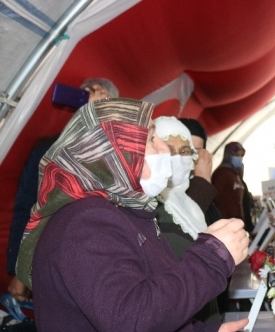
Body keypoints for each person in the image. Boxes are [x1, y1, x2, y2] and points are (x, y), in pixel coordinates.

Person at [15, 98, 250, 331]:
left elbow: (148, 302)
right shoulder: (86, 222)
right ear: (113, 151)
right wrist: (212, 257)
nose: (163, 149)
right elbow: (131, 319)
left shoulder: (123, 212)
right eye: (149, 139)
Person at [6, 78, 118, 302]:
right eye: (86, 95)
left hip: (76, 271)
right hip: (36, 258)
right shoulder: (44, 147)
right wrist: (18, 267)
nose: (92, 102)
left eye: (102, 99)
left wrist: (97, 122)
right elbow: (26, 207)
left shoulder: (116, 159)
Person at [154, 116, 208, 258]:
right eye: (169, 151)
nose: (177, 159)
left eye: (184, 151)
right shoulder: (149, 205)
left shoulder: (190, 205)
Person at [179, 118, 224, 224]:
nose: (190, 157)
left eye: (197, 151)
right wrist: (202, 181)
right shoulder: (163, 187)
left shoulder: (198, 184)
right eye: (185, 150)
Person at [211, 142, 254, 233]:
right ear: (229, 155)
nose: (239, 158)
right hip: (225, 224)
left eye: (241, 155)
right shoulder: (221, 174)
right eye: (237, 155)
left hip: (237, 223)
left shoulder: (236, 174)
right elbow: (215, 199)